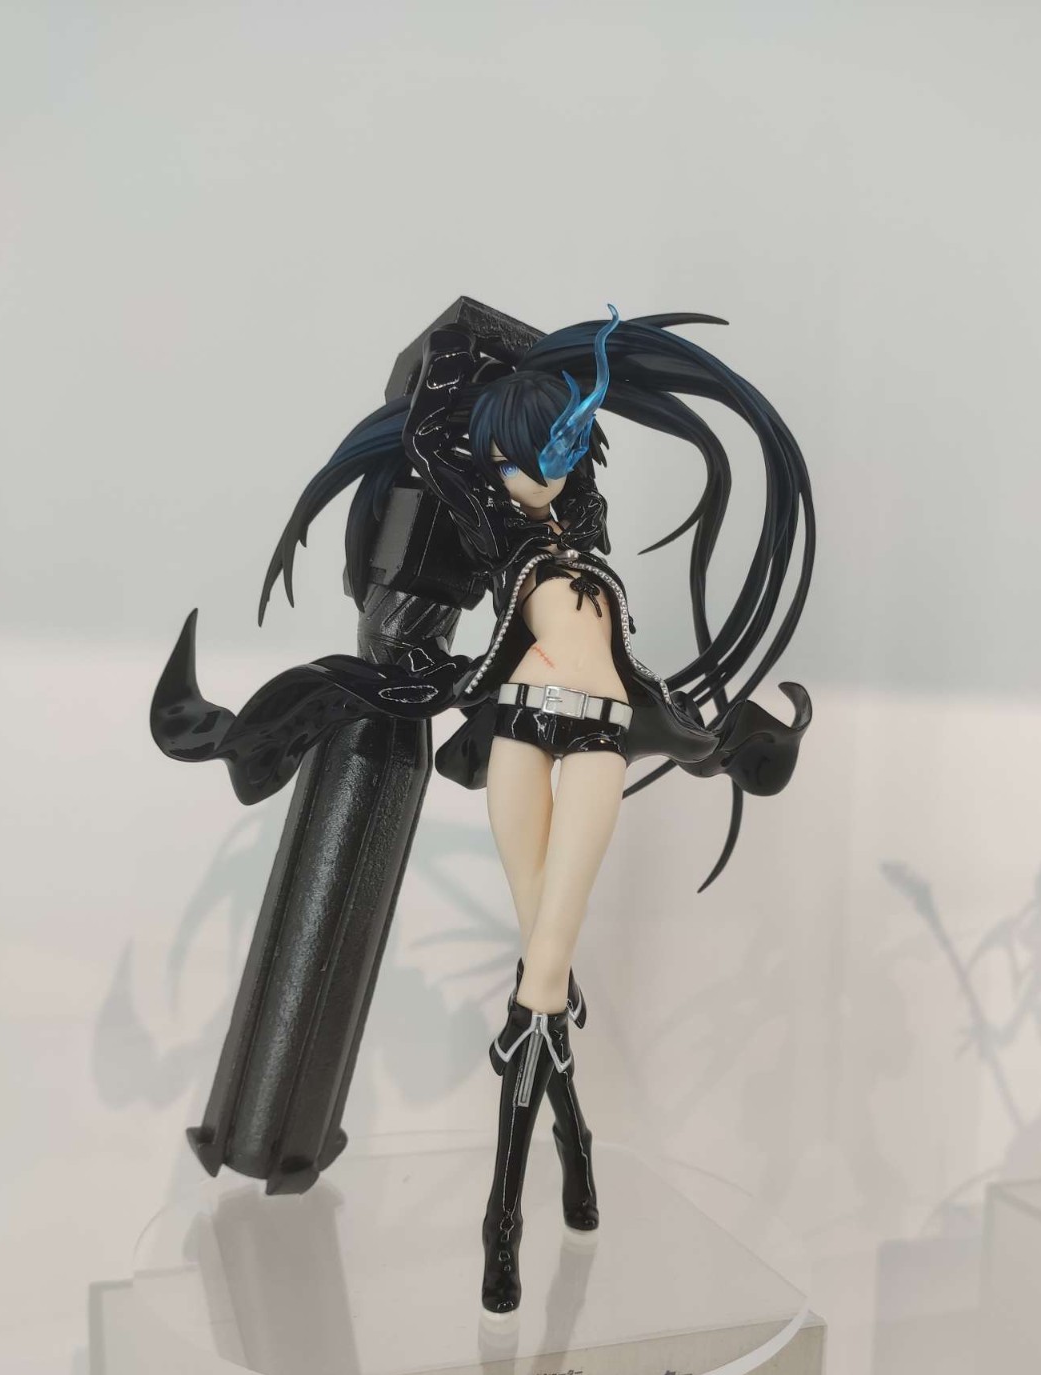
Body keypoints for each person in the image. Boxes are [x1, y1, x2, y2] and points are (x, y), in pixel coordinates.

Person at [151, 305, 815, 1313]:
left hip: (593, 735)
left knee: (542, 975)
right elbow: (435, 456)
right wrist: (456, 376)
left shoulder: (577, 538)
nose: (551, 471)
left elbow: (628, 658)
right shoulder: (495, 530)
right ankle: (546, 1175)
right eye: (528, 458)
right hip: (514, 733)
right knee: (542, 973)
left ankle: (512, 1208)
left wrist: (720, 744)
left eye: (565, 452)